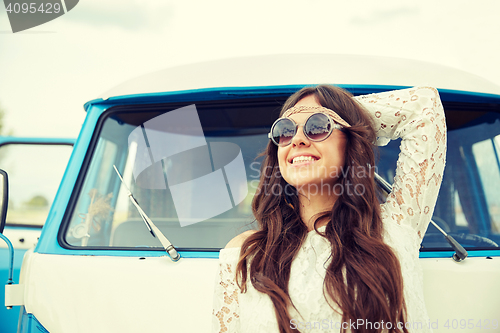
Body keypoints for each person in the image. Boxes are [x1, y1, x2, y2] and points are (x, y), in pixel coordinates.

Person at [212, 85, 446, 333]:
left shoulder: (396, 224)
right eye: (285, 130)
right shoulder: (244, 254)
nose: (297, 140)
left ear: (351, 144)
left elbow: (424, 105)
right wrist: (319, 117)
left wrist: (345, 113)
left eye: (318, 126)